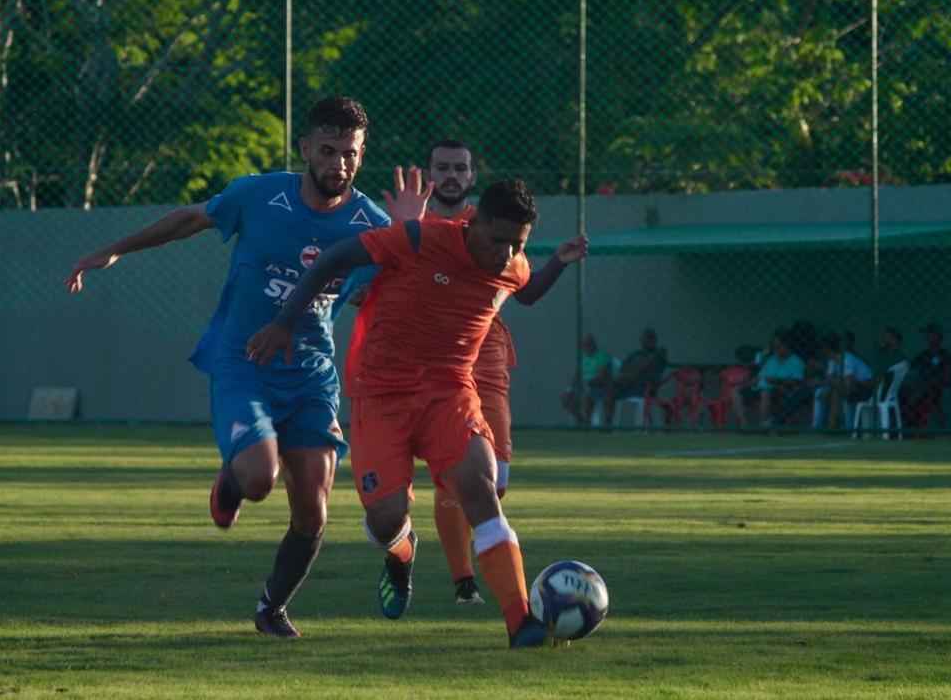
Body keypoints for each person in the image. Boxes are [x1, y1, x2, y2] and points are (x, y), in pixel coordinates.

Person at [64, 97, 391, 637]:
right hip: (244, 362)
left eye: (350, 154)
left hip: (311, 376)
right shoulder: (259, 195)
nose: (339, 163)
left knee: (313, 511)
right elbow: (192, 218)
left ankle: (271, 609)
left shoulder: (369, 223)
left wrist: (404, 246)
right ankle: (234, 482)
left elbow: (401, 279)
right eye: (328, 150)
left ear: (362, 155)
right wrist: (115, 251)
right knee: (261, 478)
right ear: (305, 148)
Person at [247, 175, 587, 648]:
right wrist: (285, 324)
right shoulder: (420, 238)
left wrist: (559, 264)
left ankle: (519, 621)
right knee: (386, 517)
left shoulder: (511, 264)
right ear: (475, 223)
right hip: (381, 395)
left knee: (481, 489)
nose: (506, 254)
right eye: (498, 240)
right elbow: (333, 259)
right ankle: (402, 552)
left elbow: (525, 291)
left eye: (517, 244)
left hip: (450, 394)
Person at [421, 139, 519, 605]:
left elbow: (521, 280)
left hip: (487, 354)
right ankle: (465, 582)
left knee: (495, 477)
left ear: (472, 175)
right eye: (442, 167)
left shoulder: (493, 221)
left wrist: (557, 262)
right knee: (451, 474)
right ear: (428, 173)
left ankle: (486, 565)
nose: (451, 175)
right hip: (433, 359)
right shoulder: (411, 221)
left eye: (460, 167)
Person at [736, 330, 806, 428]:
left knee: (765, 391)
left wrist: (776, 380)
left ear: (787, 346)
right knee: (736, 390)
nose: (775, 349)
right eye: (774, 346)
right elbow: (760, 376)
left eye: (778, 346)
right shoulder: (772, 359)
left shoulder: (797, 362)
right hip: (762, 387)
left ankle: (764, 425)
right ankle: (744, 425)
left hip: (781, 389)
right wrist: (749, 383)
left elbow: (797, 382)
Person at [603, 328, 669, 427]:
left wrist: (632, 373)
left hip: (644, 388)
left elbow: (645, 367)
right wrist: (626, 376)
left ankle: (608, 423)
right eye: (645, 338)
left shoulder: (659, 354)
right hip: (627, 385)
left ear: (655, 340)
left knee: (616, 383)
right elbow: (623, 368)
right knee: (610, 389)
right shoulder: (635, 354)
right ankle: (608, 423)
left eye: (651, 338)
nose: (648, 341)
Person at [811, 333, 873, 430]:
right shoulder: (832, 360)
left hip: (865, 388)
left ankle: (835, 427)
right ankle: (816, 426)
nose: (821, 351)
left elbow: (849, 384)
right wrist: (820, 384)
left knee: (835, 392)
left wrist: (831, 384)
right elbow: (829, 380)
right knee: (820, 391)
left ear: (827, 349)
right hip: (847, 387)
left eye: (822, 348)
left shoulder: (847, 358)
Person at [903, 323, 951, 430]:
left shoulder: (945, 355)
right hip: (921, 388)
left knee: (930, 394)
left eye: (932, 334)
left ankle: (942, 432)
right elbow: (912, 369)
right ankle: (914, 430)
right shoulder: (923, 355)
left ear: (939, 337)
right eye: (927, 334)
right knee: (909, 395)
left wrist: (933, 382)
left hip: (937, 388)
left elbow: (947, 377)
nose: (928, 337)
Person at [560, 334, 613, 425]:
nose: (586, 347)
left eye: (588, 344)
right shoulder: (584, 359)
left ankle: (590, 423)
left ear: (593, 344)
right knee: (565, 398)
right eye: (584, 345)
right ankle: (582, 421)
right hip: (584, 387)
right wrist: (569, 389)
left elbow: (602, 376)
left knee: (587, 395)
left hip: (598, 387)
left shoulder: (602, 356)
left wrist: (587, 383)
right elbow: (576, 376)